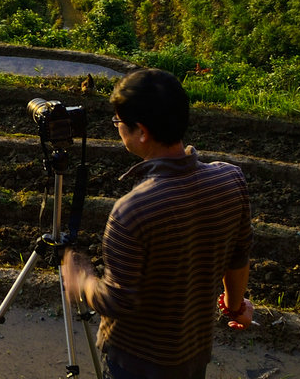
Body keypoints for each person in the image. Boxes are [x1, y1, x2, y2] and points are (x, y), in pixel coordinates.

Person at [61, 67, 254, 379]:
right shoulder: (231, 179)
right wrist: (234, 306)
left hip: (137, 362)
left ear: (141, 131)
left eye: (118, 122)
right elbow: (238, 256)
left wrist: (81, 282)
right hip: (193, 354)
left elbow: (118, 299)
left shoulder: (132, 211)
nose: (117, 128)